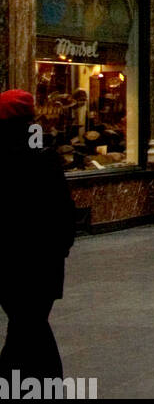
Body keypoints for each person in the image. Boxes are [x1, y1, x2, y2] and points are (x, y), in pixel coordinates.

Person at [0, 90, 76, 381]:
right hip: (45, 259)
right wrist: (62, 246)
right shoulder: (45, 152)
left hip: (12, 259)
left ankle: (31, 380)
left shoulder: (12, 155)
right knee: (28, 322)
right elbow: (62, 207)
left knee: (25, 323)